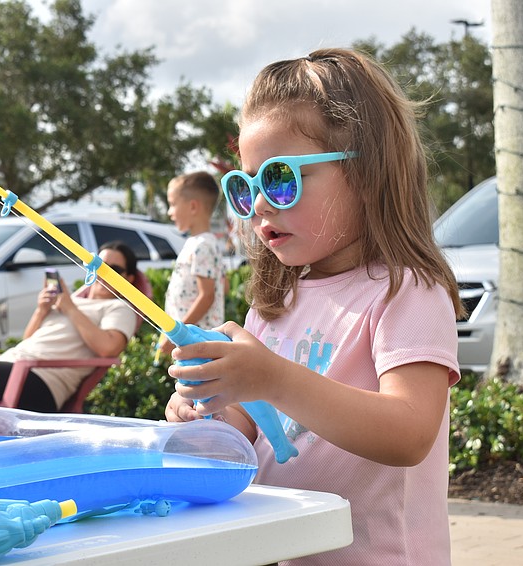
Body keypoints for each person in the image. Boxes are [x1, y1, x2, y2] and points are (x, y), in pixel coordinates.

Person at [165, 48, 463, 565]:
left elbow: (411, 433)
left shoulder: (406, 291)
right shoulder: (280, 300)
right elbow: (255, 423)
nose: (258, 204)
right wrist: (210, 414)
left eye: (279, 179)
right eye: (245, 185)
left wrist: (273, 378)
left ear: (367, 173)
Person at [0, 242, 147, 412]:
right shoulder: (71, 299)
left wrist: (70, 309)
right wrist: (42, 310)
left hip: (41, 381)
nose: (103, 274)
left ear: (128, 279)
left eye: (114, 270)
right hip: (13, 365)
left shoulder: (119, 308)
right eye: (99, 267)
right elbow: (28, 342)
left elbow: (108, 348)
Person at [158, 171, 225, 357]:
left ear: (193, 206)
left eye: (172, 204)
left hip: (198, 342)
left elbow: (207, 296)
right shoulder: (201, 244)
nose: (169, 212)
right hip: (194, 342)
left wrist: (176, 335)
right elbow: (223, 287)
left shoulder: (202, 245)